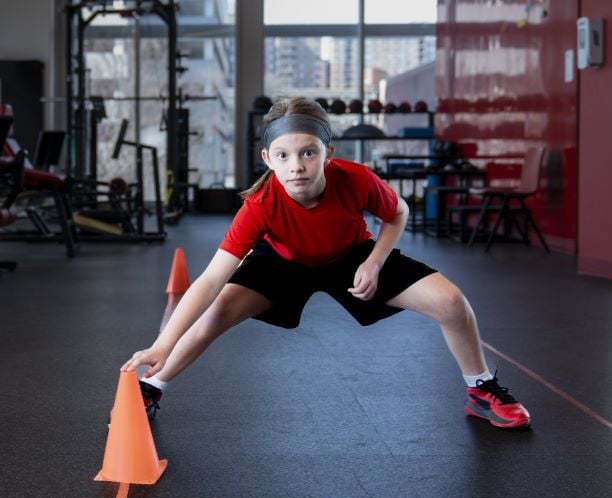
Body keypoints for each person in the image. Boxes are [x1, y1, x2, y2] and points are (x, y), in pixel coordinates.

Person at [121, 97, 530, 429]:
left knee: (452, 302)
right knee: (215, 315)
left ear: (327, 154)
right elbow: (210, 279)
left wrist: (374, 261)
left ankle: (480, 389)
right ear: (267, 158)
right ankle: (154, 387)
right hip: (281, 261)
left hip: (351, 255)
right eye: (283, 155)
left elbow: (398, 212)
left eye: (307, 153)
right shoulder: (260, 205)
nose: (295, 165)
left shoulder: (355, 179)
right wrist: (162, 343)